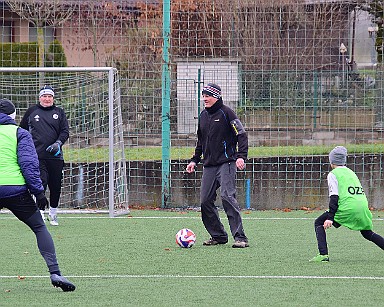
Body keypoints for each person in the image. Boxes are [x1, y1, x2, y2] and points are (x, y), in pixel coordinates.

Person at [0, 99, 75, 291]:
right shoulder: (20, 133)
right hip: (15, 190)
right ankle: (55, 273)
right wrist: (39, 193)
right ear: (14, 116)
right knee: (39, 227)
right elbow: (28, 165)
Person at [186, 83, 249, 248]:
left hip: (227, 163)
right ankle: (218, 236)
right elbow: (201, 141)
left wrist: (241, 156)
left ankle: (240, 238)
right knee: (205, 201)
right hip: (209, 166)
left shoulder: (227, 113)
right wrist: (194, 160)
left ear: (217, 96)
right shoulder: (203, 116)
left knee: (227, 197)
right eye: (204, 96)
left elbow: (241, 135)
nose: (205, 99)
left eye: (208, 96)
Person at [310, 145, 384, 262]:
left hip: (348, 208)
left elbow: (334, 197)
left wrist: (330, 217)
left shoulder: (333, 174)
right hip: (362, 206)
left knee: (319, 223)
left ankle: (323, 255)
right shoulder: (350, 172)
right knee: (367, 233)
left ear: (332, 161)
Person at [20, 85, 69, 226]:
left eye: (50, 96)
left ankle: (53, 213)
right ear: (40, 97)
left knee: (55, 185)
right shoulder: (31, 111)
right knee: (41, 182)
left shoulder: (59, 112)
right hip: (37, 156)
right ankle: (40, 213)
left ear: (53, 98)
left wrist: (58, 143)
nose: (47, 99)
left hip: (55, 157)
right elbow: (22, 131)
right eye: (44, 96)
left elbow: (65, 131)